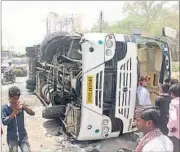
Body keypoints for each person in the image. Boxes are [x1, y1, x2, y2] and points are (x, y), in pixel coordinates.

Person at [1, 86, 35, 152]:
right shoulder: (4, 108)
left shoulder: (21, 105)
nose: (16, 100)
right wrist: (13, 113)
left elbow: (32, 113)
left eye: (18, 98)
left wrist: (25, 107)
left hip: (23, 137)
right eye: (14, 99)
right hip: (12, 138)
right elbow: (4, 122)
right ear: (9, 97)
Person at [167, 83, 180, 152]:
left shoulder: (173, 103)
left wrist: (170, 127)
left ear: (172, 93)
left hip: (176, 132)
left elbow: (173, 118)